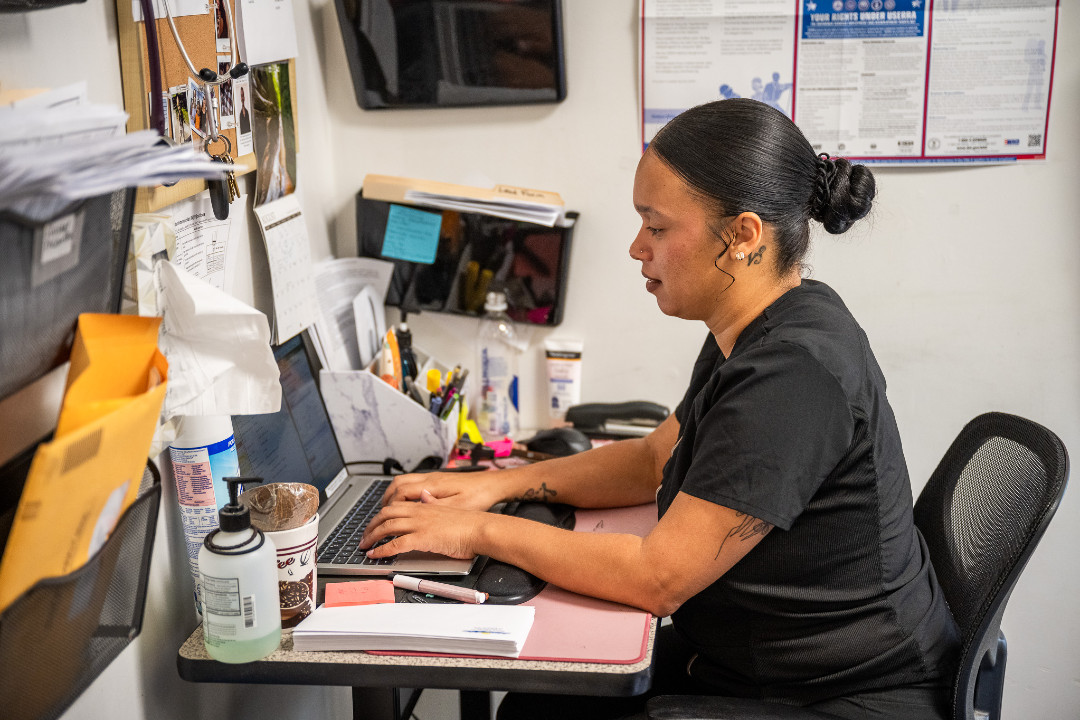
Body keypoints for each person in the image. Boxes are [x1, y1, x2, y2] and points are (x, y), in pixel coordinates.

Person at [361, 99, 960, 720]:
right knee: (536, 707)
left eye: (657, 226)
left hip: (842, 694)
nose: (635, 248)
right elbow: (654, 458)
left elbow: (657, 577)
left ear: (742, 238)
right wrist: (491, 488)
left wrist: (479, 531)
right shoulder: (756, 323)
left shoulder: (796, 372)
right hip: (761, 658)